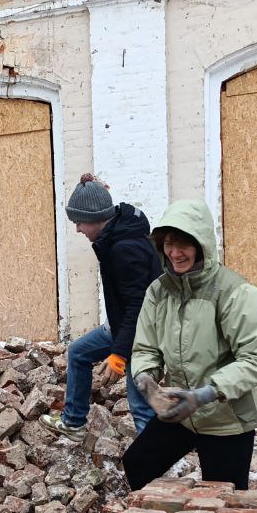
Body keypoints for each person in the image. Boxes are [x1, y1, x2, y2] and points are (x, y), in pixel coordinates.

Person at [122, 199, 257, 491]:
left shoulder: (234, 292)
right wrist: (146, 381)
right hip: (180, 412)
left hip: (226, 419)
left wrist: (205, 394)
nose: (175, 253)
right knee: (138, 464)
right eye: (168, 243)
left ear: (202, 244)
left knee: (224, 501)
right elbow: (145, 348)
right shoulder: (159, 291)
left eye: (184, 244)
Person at [41, 174, 163, 439]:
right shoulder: (116, 234)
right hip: (123, 328)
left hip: (144, 335)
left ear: (96, 218)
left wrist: (119, 353)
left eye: (79, 222)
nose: (77, 229)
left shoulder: (124, 248)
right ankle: (74, 422)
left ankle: (156, 472)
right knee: (78, 352)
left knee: (140, 406)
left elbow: (138, 306)